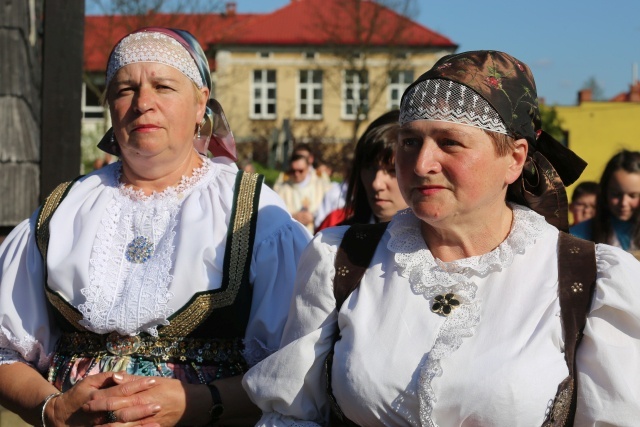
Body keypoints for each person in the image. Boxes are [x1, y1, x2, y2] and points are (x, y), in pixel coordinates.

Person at [243, 51, 640, 425]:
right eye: (410, 141)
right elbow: (292, 413)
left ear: (515, 159)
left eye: (449, 142)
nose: (421, 163)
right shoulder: (341, 257)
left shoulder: (590, 277)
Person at [0, 27, 310, 427]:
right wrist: (52, 409)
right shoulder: (62, 209)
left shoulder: (253, 211)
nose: (143, 104)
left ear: (201, 104)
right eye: (125, 89)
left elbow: (296, 367)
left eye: (163, 86)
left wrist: (202, 402)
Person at [315, 110, 408, 232]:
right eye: (369, 167)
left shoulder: (438, 247)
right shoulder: (336, 243)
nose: (376, 184)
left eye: (392, 170)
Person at [571, 150, 640, 253]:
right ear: (604, 191)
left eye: (633, 196)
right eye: (616, 194)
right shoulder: (578, 235)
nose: (624, 203)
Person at [276, 151, 332, 232]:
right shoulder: (283, 189)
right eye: (293, 171)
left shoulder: (321, 185)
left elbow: (330, 208)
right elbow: (276, 214)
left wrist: (314, 216)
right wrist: (292, 216)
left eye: (300, 170)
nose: (296, 174)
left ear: (308, 167)